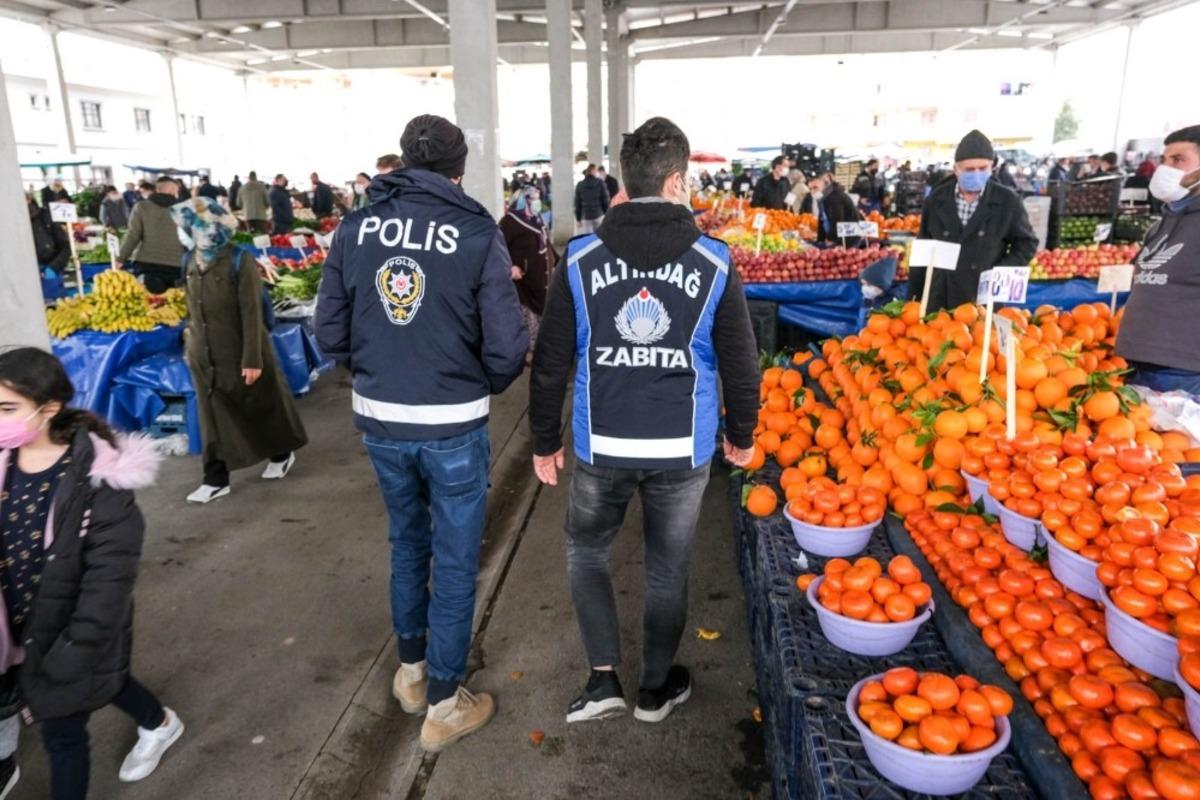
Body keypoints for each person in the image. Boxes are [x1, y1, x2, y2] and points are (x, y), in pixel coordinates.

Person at [528, 116, 760, 726]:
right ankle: (654, 689)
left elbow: (551, 360)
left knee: (587, 551)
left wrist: (543, 441)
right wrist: (742, 436)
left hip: (601, 444)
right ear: (679, 182)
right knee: (667, 567)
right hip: (681, 451)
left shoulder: (579, 259)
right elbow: (740, 361)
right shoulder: (714, 261)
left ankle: (603, 678)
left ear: (625, 183)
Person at [315, 114, 527, 752]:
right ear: (460, 170)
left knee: (407, 540)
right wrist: (476, 384)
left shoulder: (356, 227)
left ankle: (410, 674)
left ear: (403, 162)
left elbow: (329, 333)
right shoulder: (474, 231)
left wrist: (378, 370)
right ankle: (442, 703)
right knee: (457, 560)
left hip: (380, 418)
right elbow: (508, 345)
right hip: (452, 422)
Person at [0, 348, 184, 800]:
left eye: (7, 409)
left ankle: (158, 722)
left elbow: (109, 582)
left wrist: (73, 649)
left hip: (72, 634)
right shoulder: (3, 463)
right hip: (19, 632)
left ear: (49, 409)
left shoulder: (100, 483)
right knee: (109, 681)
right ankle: (160, 722)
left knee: (63, 733)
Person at [172, 198, 308, 504]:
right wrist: (189, 343)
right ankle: (215, 478)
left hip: (239, 349)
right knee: (212, 416)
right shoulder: (189, 261)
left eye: (201, 226)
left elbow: (252, 312)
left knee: (259, 405)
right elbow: (192, 310)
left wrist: (252, 359)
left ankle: (281, 452)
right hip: (203, 354)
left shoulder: (238, 259)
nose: (195, 233)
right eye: (191, 227)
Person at [907, 129, 1038, 312]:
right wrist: (913, 299)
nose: (976, 174)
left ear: (992, 167)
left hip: (982, 298)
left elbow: (1027, 243)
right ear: (956, 169)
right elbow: (924, 247)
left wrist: (998, 273)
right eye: (969, 169)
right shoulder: (936, 200)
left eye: (983, 168)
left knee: (978, 339)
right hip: (940, 298)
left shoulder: (1008, 201)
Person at [1115, 125, 1200, 396]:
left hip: (1181, 369)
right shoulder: (1165, 220)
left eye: (1178, 160)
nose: (1166, 168)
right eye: (1164, 160)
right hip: (1136, 360)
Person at [500, 185, 557, 362]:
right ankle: (529, 353)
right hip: (524, 282)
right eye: (534, 198)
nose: (538, 202)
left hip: (542, 279)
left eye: (539, 198)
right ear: (523, 201)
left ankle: (541, 351)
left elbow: (546, 244)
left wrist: (558, 260)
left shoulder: (537, 219)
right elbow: (497, 248)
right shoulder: (509, 222)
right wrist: (510, 266)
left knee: (543, 316)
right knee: (529, 319)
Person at [116, 176, 184, 294]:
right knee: (175, 304)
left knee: (153, 303)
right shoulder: (184, 210)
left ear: (157, 190)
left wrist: (121, 258)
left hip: (149, 264)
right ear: (173, 191)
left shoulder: (141, 207)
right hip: (177, 264)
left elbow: (133, 236)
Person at [801, 172, 860, 244]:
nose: (812, 191)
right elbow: (822, 218)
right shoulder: (822, 198)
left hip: (847, 238)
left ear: (825, 185)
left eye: (815, 187)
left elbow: (837, 219)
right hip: (837, 236)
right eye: (810, 189)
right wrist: (820, 240)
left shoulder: (835, 197)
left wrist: (831, 238)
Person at [28, 195, 70, 273]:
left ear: (29, 199)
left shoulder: (46, 216)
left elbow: (66, 246)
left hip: (50, 267)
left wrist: (54, 268)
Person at [574, 164, 610, 234]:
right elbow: (605, 200)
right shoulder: (600, 183)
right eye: (596, 171)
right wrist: (607, 214)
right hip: (599, 215)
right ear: (593, 171)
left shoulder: (580, 185)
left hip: (586, 216)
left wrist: (578, 219)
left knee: (588, 239)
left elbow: (577, 203)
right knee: (600, 238)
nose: (597, 173)